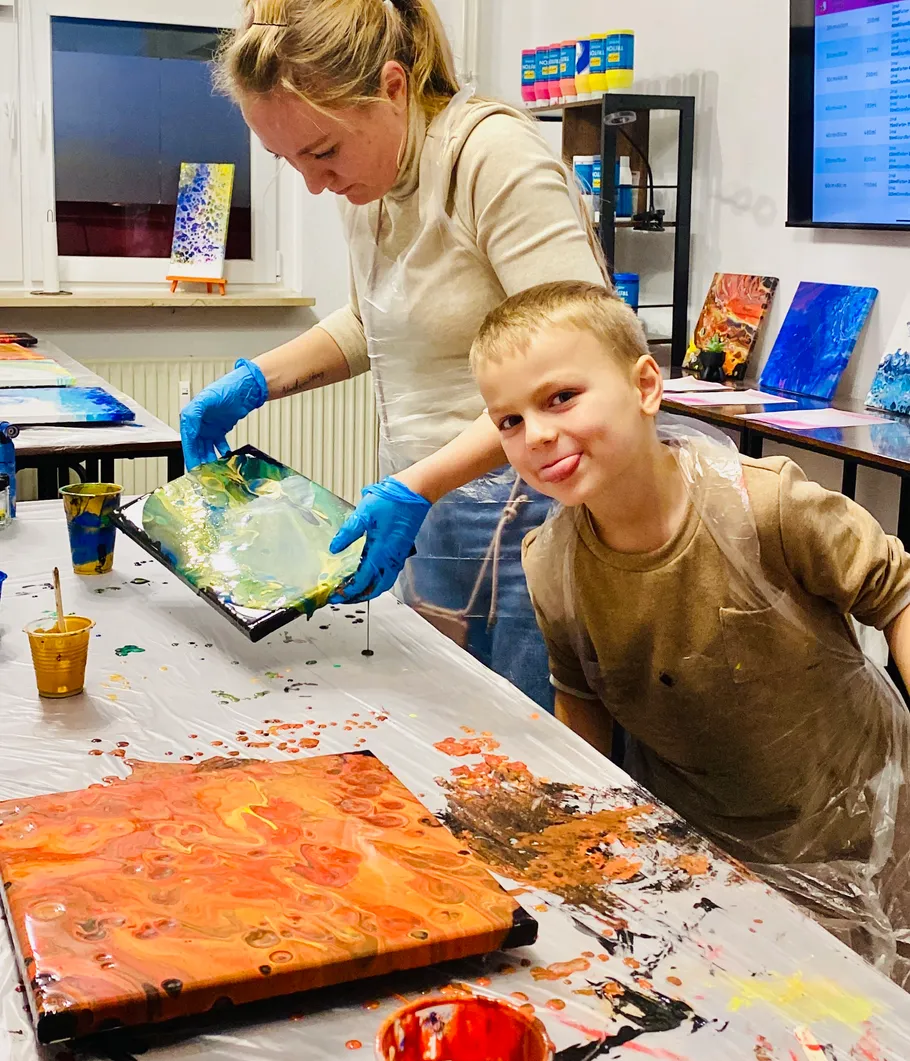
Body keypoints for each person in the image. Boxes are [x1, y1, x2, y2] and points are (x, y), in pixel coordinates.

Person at [470, 279, 910, 986]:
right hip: (705, 855)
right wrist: (578, 835)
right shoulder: (552, 566)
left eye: (561, 397)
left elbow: (899, 593)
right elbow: (580, 703)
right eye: (510, 421)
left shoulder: (764, 506)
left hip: (868, 833)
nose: (538, 435)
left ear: (645, 387)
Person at [179, 0, 607, 709]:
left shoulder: (491, 158)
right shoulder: (369, 183)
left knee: (522, 734)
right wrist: (254, 381)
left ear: (393, 87)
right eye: (290, 160)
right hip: (433, 499)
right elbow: (375, 322)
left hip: (533, 510)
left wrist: (420, 484)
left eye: (323, 152)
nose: (314, 183)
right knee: (444, 715)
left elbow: (577, 367)